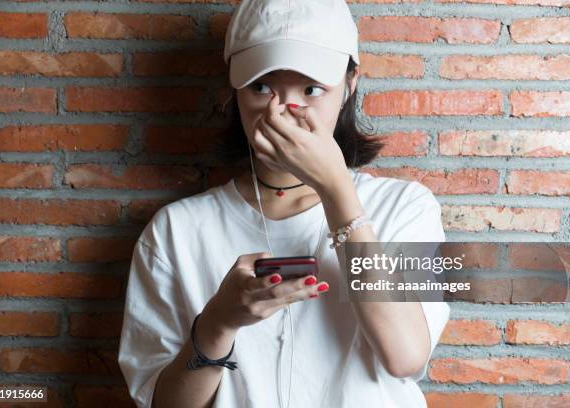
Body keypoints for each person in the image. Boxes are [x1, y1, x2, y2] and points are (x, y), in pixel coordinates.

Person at [117, 1, 450, 407]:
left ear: (349, 86)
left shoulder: (406, 207)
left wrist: (335, 191)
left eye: (311, 89)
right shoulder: (176, 230)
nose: (284, 114)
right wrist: (219, 323)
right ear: (234, 90)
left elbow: (405, 356)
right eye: (262, 86)